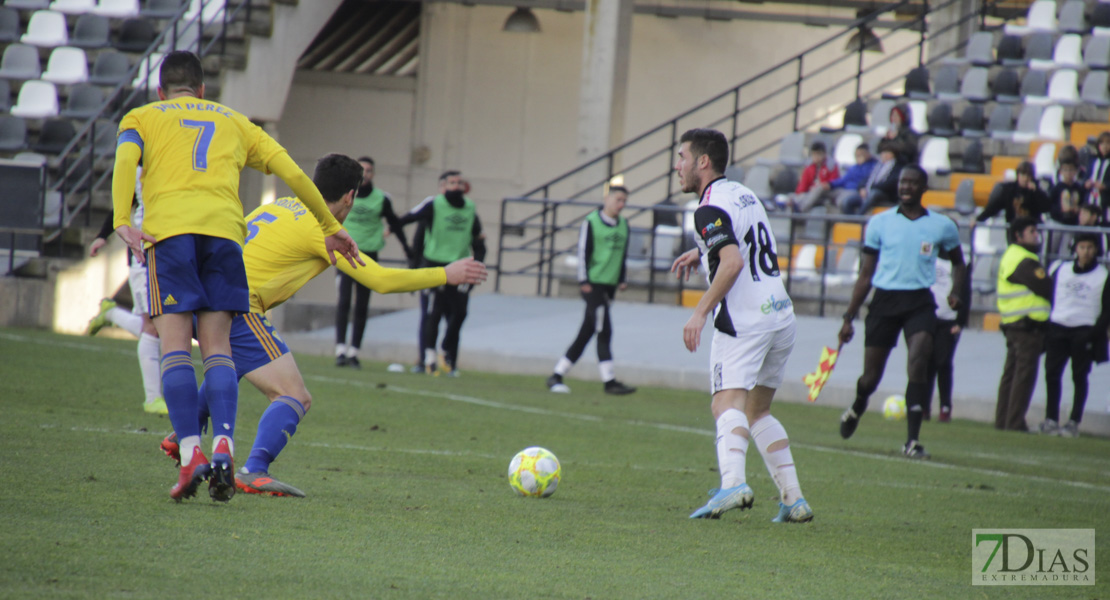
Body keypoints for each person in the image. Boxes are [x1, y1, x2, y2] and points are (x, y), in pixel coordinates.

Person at [111, 50, 361, 502]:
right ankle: (225, 448)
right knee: (219, 349)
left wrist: (120, 217)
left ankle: (192, 454)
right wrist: (330, 225)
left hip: (170, 236)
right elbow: (292, 171)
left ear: (162, 91)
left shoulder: (142, 116)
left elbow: (126, 161)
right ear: (204, 90)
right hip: (225, 237)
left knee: (174, 347)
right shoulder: (236, 121)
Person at [160, 154, 488, 496]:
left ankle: (181, 433)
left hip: (200, 297)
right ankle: (254, 469)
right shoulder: (324, 227)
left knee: (234, 365)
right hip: (237, 307)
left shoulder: (286, 203)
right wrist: (445, 274)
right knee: (294, 396)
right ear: (350, 196)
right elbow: (380, 279)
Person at [670, 128, 812, 523]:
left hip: (746, 321)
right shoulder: (743, 193)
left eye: (682, 157)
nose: (677, 166)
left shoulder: (707, 208)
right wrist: (700, 252)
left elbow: (731, 262)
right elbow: (741, 242)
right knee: (758, 411)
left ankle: (733, 483)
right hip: (780, 315)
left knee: (724, 404)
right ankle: (793, 499)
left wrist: (700, 312)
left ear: (702, 162)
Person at [837, 164, 967, 459]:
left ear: (924, 188)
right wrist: (848, 317)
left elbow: (960, 263)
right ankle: (858, 406)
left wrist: (956, 291)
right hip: (884, 302)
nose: (905, 187)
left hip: (920, 302)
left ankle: (912, 441)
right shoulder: (879, 223)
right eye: (902, 182)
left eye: (912, 183)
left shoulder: (941, 225)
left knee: (919, 359)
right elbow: (865, 274)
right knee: (870, 378)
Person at [86, 166, 167, 415]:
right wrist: (103, 235)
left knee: (163, 326)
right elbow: (124, 203)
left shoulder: (176, 158)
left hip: (171, 252)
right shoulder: (140, 165)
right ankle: (153, 399)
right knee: (153, 326)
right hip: (142, 254)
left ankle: (111, 314)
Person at [545, 186, 636, 395]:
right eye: (618, 199)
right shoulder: (592, 221)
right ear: (607, 199)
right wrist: (583, 280)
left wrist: (621, 279)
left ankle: (557, 375)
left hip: (609, 286)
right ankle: (609, 382)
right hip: (593, 284)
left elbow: (622, 255)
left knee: (587, 332)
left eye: (624, 201)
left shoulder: (624, 225)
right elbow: (583, 251)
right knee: (604, 330)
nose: (621, 205)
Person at [398, 170, 486, 376]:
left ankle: (447, 354)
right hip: (434, 267)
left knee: (459, 313)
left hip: (460, 267)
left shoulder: (470, 210)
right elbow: (415, 236)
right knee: (432, 314)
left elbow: (479, 243)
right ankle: (428, 359)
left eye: (459, 182)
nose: (456, 186)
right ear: (443, 187)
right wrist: (414, 270)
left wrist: (476, 266)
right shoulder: (433, 206)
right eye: (452, 183)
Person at [334, 156, 411, 369]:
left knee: (362, 304)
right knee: (344, 300)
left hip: (368, 255)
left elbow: (394, 224)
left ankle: (354, 352)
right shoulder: (342, 195)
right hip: (344, 254)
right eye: (361, 170)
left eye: (368, 170)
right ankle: (340, 349)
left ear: (373, 174)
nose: (365, 173)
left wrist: (407, 249)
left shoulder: (381, 199)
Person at [1039, 233, 1109, 438]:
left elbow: (1106, 309)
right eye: (1082, 247)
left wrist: (1094, 333)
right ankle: (1051, 418)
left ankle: (1073, 421)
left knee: (1079, 377)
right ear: (1075, 248)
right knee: (1052, 373)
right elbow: (1051, 297)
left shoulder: (1103, 275)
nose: (1085, 252)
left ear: (1096, 250)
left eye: (1089, 247)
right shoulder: (1061, 270)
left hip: (1084, 329)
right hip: (1059, 326)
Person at [993, 217, 1052, 432]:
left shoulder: (1011, 256)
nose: (1037, 235)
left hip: (1013, 324)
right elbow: (1046, 286)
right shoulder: (1025, 259)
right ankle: (1015, 422)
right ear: (1018, 235)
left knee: (1010, 375)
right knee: (1023, 376)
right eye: (1032, 231)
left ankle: (1003, 421)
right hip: (1027, 326)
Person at [923, 246, 969, 423]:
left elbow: (966, 291)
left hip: (949, 319)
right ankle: (923, 407)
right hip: (928, 317)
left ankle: (945, 407)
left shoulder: (959, 262)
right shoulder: (929, 255)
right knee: (926, 363)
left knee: (943, 363)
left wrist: (960, 321)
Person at [975, 161, 1051, 226]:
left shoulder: (1036, 190)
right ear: (1018, 175)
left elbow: (1046, 207)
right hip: (1013, 231)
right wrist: (978, 219)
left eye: (1028, 175)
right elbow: (994, 207)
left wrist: (1036, 192)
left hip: (1030, 232)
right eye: (1022, 175)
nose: (1025, 178)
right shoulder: (1009, 190)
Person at [841, 140, 902, 215]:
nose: (885, 155)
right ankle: (849, 222)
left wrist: (871, 188)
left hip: (885, 194)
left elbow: (889, 184)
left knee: (874, 194)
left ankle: (858, 217)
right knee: (848, 201)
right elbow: (866, 179)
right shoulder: (877, 166)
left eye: (888, 153)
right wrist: (862, 188)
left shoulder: (897, 168)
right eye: (883, 152)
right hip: (869, 191)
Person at [788, 141, 839, 212]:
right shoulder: (809, 167)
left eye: (819, 154)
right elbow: (803, 185)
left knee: (819, 188)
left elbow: (832, 183)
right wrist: (799, 194)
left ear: (824, 154)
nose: (816, 157)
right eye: (814, 155)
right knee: (792, 196)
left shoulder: (831, 165)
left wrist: (818, 186)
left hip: (825, 193)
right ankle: (794, 202)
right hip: (810, 193)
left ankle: (801, 208)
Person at [826, 143, 877, 213]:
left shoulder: (873, 166)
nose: (858, 157)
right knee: (821, 190)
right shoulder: (854, 167)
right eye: (857, 154)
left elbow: (866, 179)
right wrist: (830, 184)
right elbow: (844, 179)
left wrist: (863, 164)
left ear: (868, 154)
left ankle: (848, 222)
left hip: (855, 191)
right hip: (844, 189)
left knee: (842, 201)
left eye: (861, 154)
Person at [1084, 131, 1110, 218]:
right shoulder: (1093, 160)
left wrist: (1105, 186)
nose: (1105, 146)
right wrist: (1086, 183)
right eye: (1102, 143)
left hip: (1105, 203)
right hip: (1090, 201)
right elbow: (1086, 177)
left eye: (1108, 143)